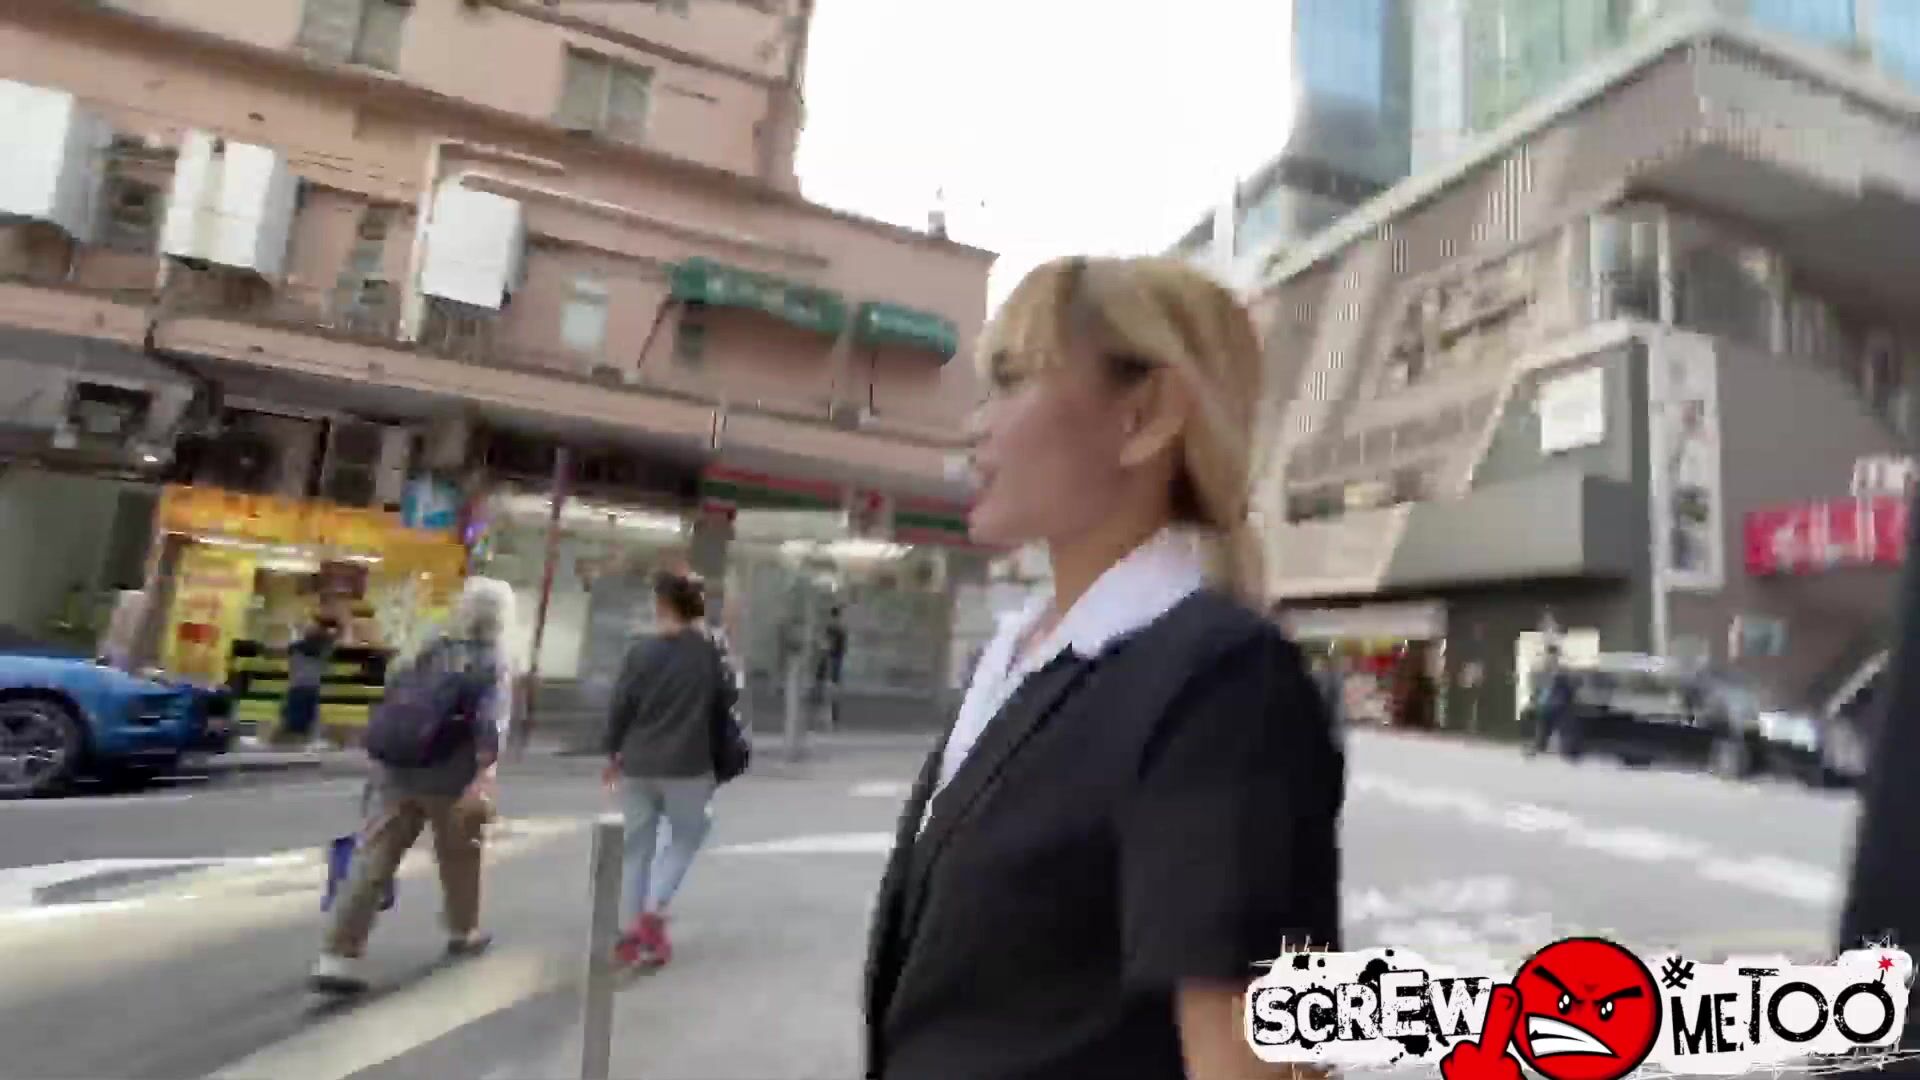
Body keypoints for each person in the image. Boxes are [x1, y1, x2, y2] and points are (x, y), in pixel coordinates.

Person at [863, 255, 1344, 1079]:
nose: (974, 427)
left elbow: (1249, 1061)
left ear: (1145, 414)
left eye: (1011, 381)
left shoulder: (1224, 681)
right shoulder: (1018, 653)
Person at [309, 577, 515, 994]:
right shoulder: (489, 661)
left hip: (396, 770)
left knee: (373, 861)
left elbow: (391, 697)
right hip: (450, 777)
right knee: (460, 857)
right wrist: (484, 775)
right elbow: (489, 724)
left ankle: (337, 955)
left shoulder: (427, 647)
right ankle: (463, 931)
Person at [603, 569, 737, 968]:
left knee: (637, 849)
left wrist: (612, 753)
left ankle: (630, 934)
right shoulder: (711, 651)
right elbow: (728, 699)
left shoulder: (640, 651)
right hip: (689, 763)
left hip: (638, 761)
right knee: (689, 834)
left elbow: (621, 706)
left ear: (662, 605)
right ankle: (653, 911)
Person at [282, 614, 339, 747]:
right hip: (313, 688)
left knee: (295, 726)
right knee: (309, 723)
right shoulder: (324, 650)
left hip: (297, 688)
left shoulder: (295, 648)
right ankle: (306, 744)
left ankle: (296, 745)